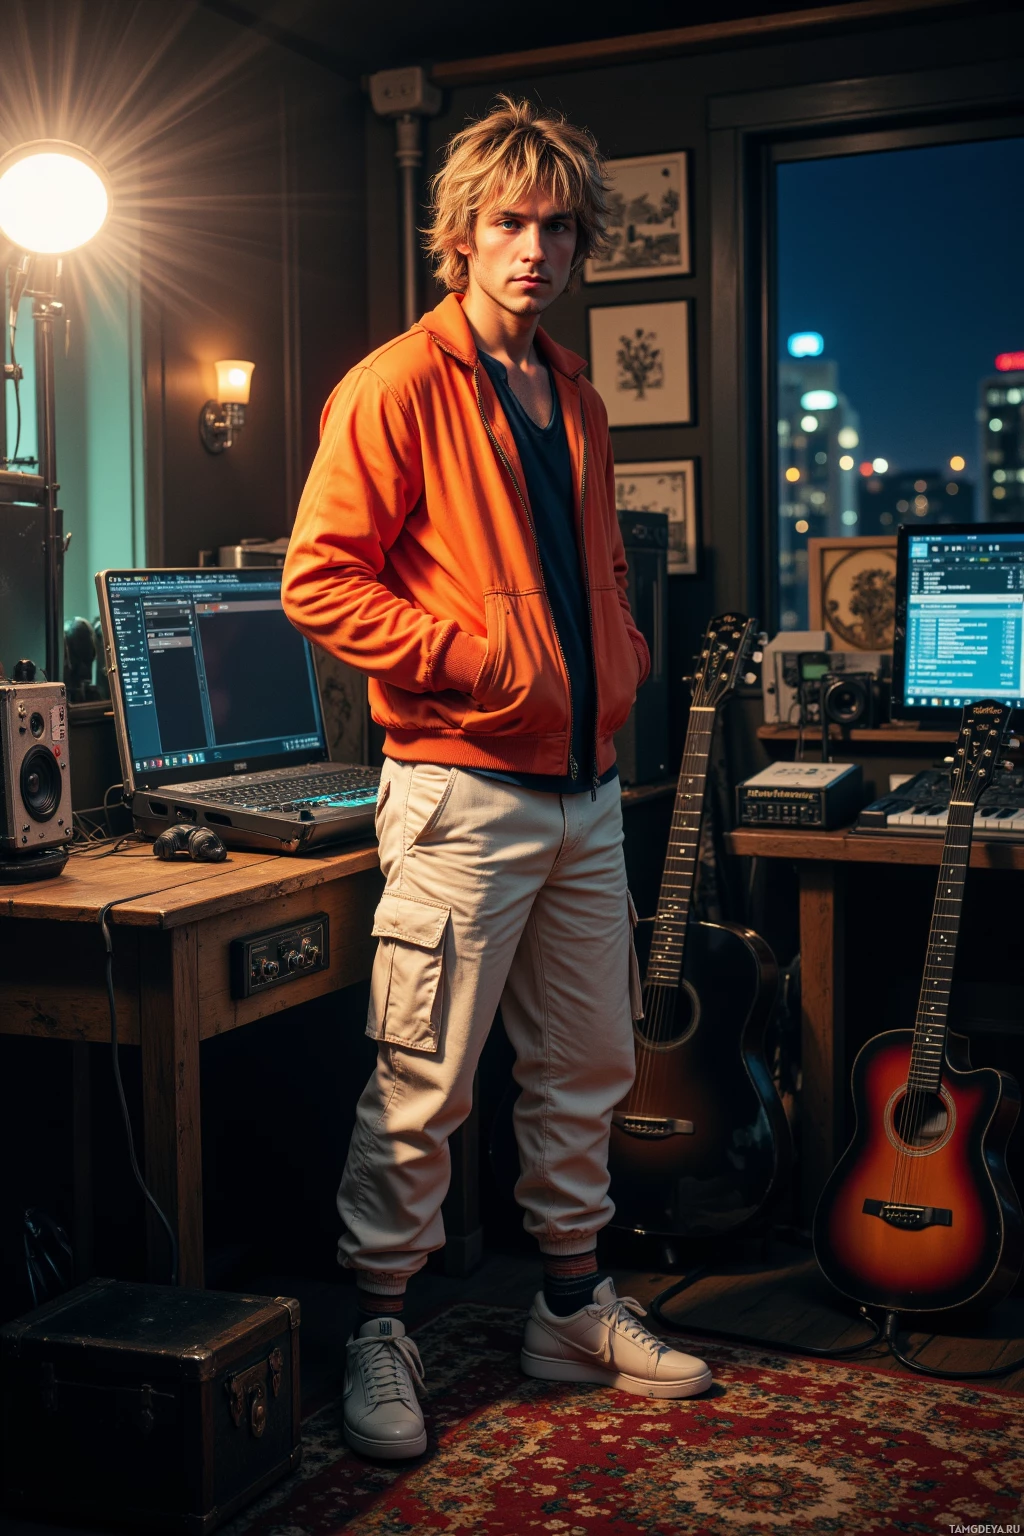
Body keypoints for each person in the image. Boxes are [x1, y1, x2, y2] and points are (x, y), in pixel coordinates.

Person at [282, 94, 711, 1461]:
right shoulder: (394, 384)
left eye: (559, 227)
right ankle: (380, 1326)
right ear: (457, 234)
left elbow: (596, 578)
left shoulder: (574, 391)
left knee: (586, 1068)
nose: (537, 248)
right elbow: (319, 582)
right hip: (461, 792)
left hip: (586, 799)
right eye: (511, 223)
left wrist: (623, 657)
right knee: (426, 1082)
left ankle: (570, 1308)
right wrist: (479, 660)